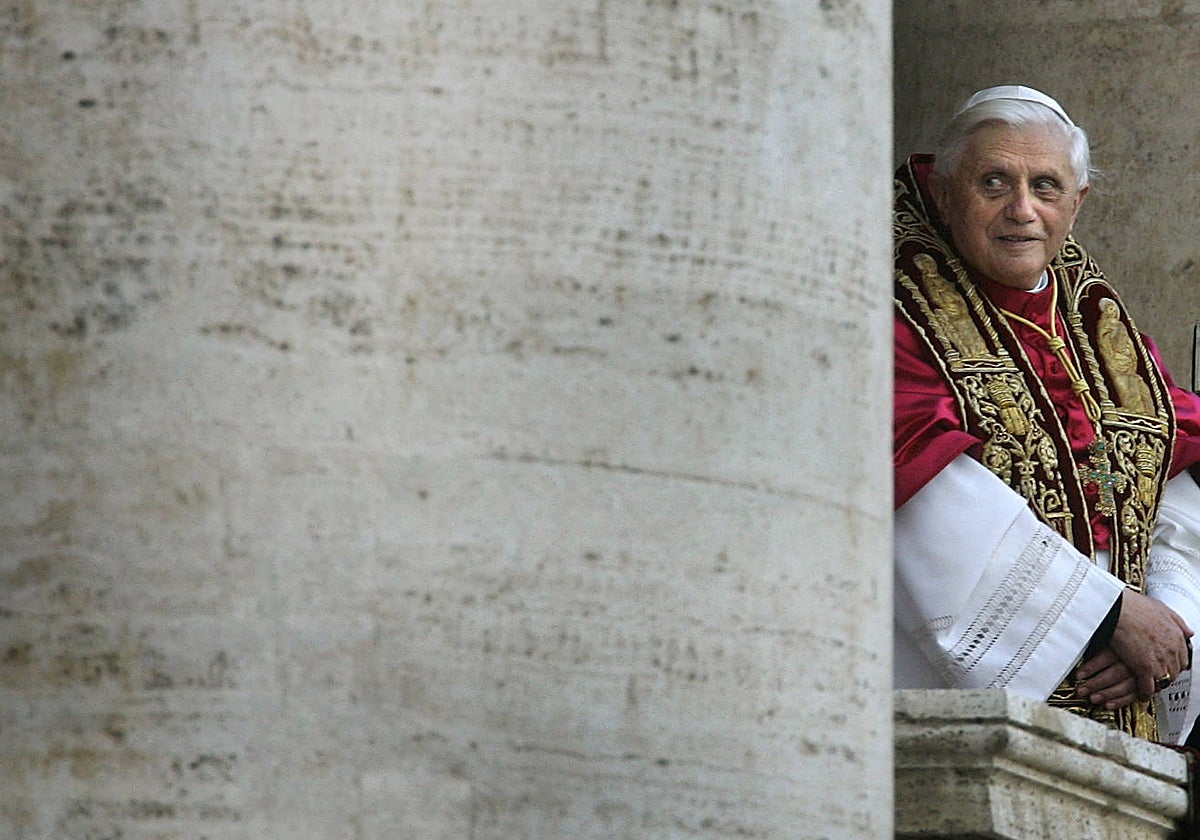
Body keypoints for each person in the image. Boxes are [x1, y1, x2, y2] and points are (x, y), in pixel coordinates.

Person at [893, 84, 1200, 743]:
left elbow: (1174, 491)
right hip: (971, 719)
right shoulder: (896, 311)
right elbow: (919, 484)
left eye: (1046, 186)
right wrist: (1104, 617)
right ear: (945, 195)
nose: (1022, 211)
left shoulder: (1101, 325)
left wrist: (1170, 625)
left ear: (1077, 203)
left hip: (1128, 703)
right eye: (995, 182)